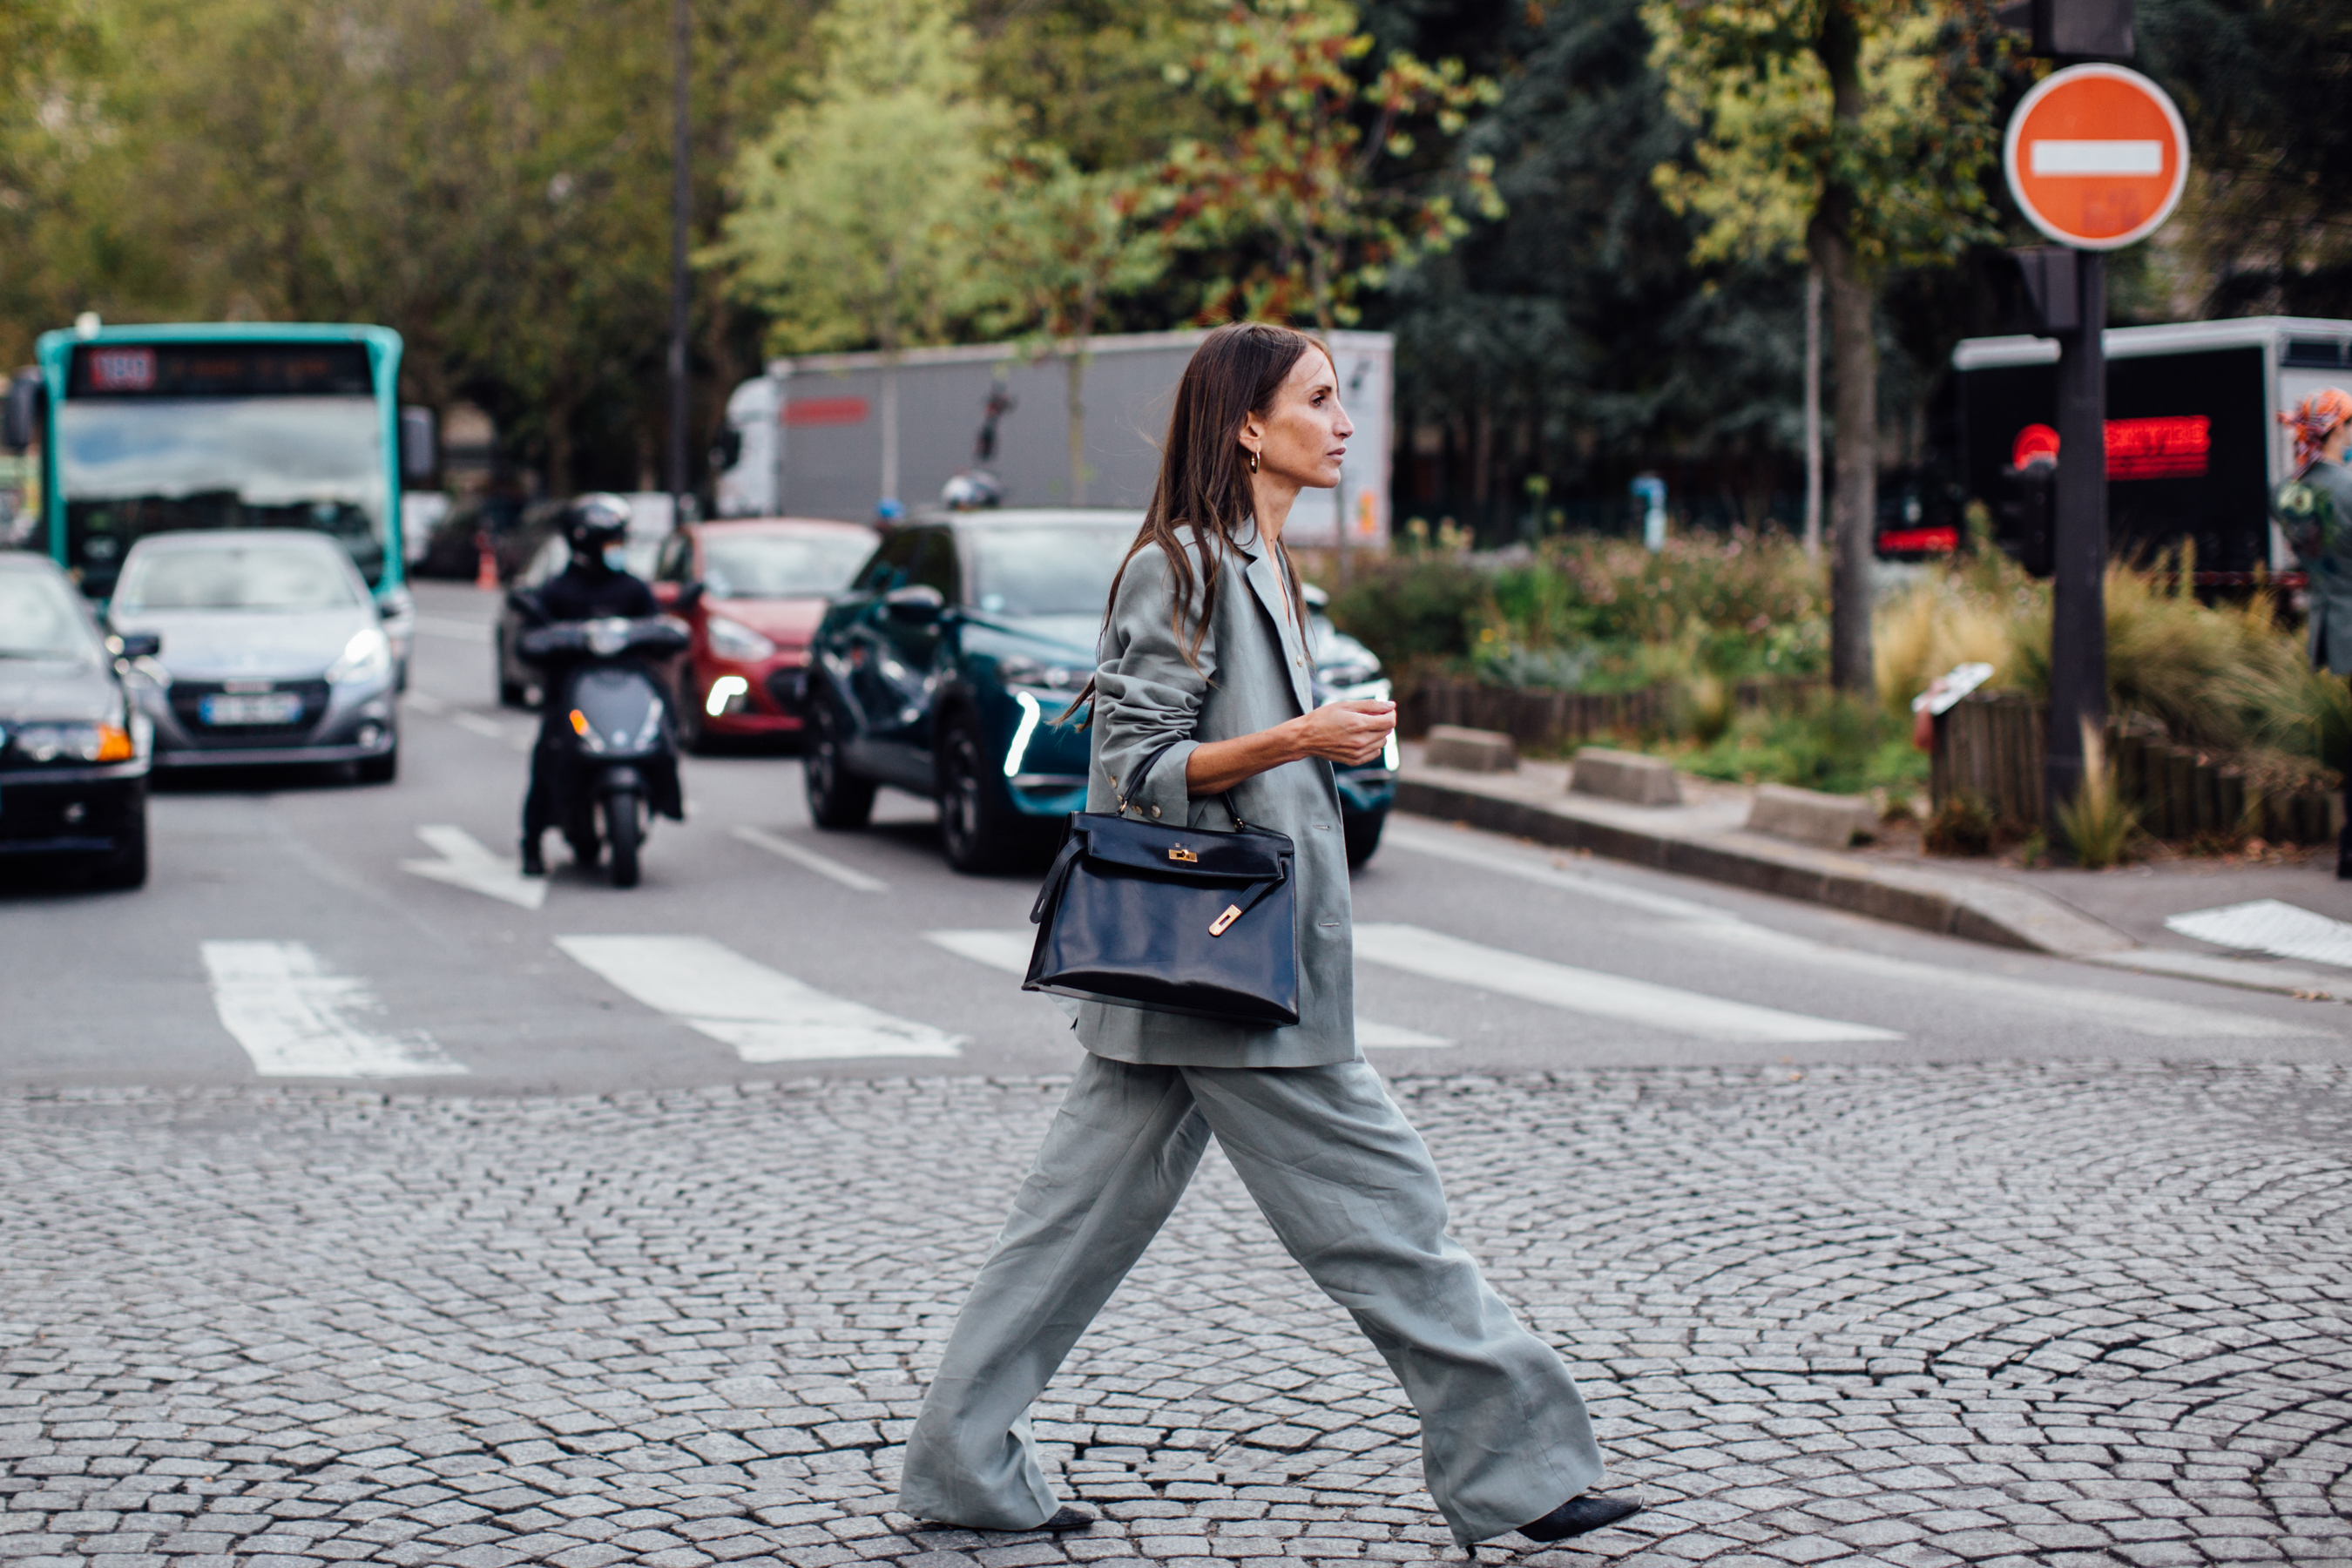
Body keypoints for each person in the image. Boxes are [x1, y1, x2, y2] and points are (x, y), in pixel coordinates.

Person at [896, 322, 1639, 1552]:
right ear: (1249, 425)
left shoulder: (1267, 563)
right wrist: (1306, 737)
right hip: (1235, 974)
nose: (1343, 423)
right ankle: (1522, 1473)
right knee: (1394, 1220)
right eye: (1321, 399)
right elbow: (1134, 771)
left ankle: (962, 1466)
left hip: (1203, 973)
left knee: (1064, 1239)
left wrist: (1315, 739)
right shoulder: (1179, 569)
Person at [516, 493, 657, 875]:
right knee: (548, 753)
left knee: (663, 727)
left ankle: (663, 790)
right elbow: (530, 636)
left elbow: (657, 624)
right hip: (572, 697)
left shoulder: (632, 589)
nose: (618, 549)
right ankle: (531, 841)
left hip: (626, 689)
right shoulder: (559, 591)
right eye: (611, 542)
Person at [2281, 388, 2352, 876]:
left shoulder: (2291, 492)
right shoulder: (2346, 487)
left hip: (2329, 623)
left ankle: (2349, 843)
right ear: (2337, 431)